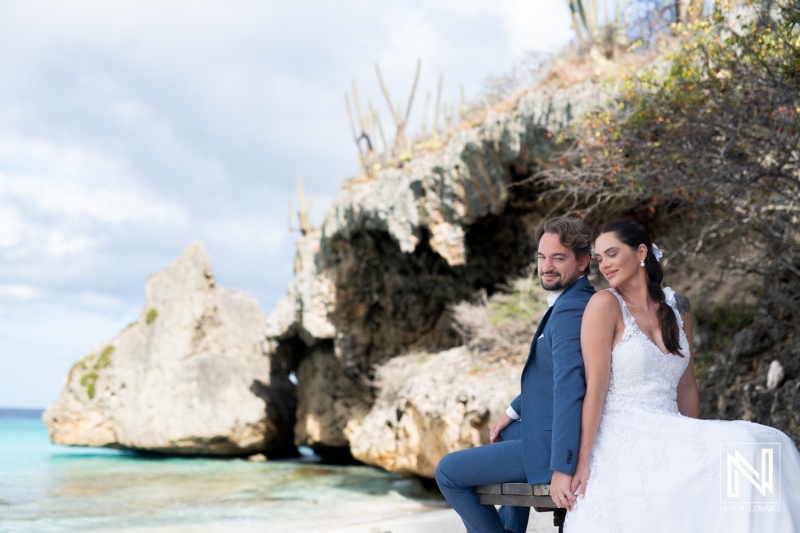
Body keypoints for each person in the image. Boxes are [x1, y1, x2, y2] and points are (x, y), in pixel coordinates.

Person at [565, 219, 800, 532]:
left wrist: (696, 438)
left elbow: (687, 383)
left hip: (671, 426)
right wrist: (581, 463)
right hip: (625, 434)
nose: (604, 265)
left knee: (774, 442)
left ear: (641, 252)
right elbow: (595, 387)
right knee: (746, 444)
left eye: (611, 254)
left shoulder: (678, 308)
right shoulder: (604, 305)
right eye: (599, 259)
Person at [436, 217, 595, 533]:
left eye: (558, 258)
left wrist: (563, 465)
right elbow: (550, 375)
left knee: (448, 473)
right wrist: (512, 412)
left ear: (583, 262)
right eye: (541, 257)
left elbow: (569, 386)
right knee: (505, 435)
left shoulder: (570, 311)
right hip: (549, 428)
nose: (546, 266)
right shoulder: (576, 300)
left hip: (556, 445)